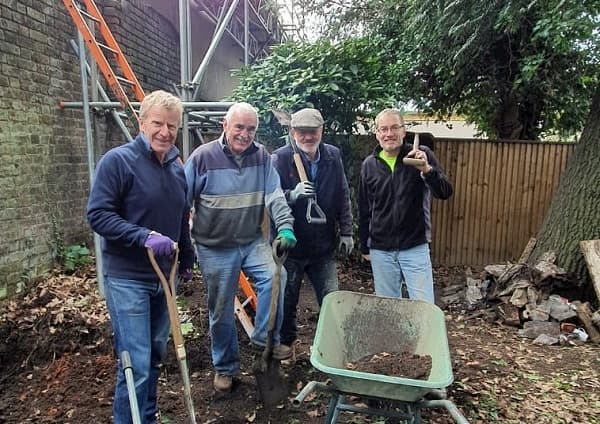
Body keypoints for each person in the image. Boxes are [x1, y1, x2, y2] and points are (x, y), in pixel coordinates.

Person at [87, 90, 195, 424]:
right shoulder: (117, 162)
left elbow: (180, 219)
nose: (165, 132)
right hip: (127, 279)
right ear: (141, 122)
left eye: (172, 126)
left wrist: (187, 257)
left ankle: (145, 418)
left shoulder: (177, 170)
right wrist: (144, 236)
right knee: (135, 363)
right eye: (158, 124)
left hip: (164, 279)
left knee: (156, 358)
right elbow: (98, 215)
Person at [184, 102, 297, 393]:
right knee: (220, 310)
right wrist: (182, 242)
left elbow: (274, 197)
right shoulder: (202, 158)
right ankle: (225, 368)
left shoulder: (262, 157)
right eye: (239, 127)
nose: (244, 134)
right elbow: (181, 200)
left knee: (276, 276)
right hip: (214, 246)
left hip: (250, 241)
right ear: (225, 125)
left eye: (250, 129)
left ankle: (263, 340)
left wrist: (285, 227)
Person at [271, 108, 353, 356]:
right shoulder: (280, 159)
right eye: (302, 132)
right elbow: (269, 198)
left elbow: (343, 194)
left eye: (313, 132)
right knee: (287, 298)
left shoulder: (332, 156)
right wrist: (292, 194)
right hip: (291, 246)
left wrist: (347, 231)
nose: (308, 137)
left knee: (330, 298)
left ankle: (332, 346)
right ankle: (287, 343)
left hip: (323, 247)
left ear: (321, 132)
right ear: (293, 132)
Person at [358, 108, 453, 303]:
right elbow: (365, 208)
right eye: (383, 129)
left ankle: (422, 335)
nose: (389, 134)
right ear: (377, 133)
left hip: (414, 245)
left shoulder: (420, 155)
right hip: (381, 249)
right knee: (388, 307)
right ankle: (392, 335)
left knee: (423, 306)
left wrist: (427, 169)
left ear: (403, 130)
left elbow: (444, 192)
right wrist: (365, 246)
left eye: (394, 128)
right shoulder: (369, 165)